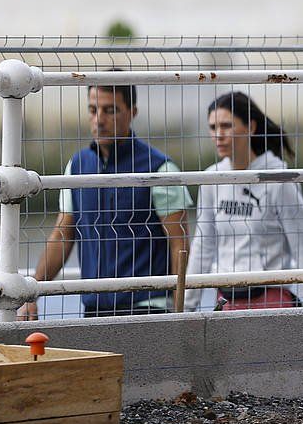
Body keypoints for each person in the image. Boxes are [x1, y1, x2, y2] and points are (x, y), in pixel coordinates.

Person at [18, 83, 192, 319]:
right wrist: (32, 293)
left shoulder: (160, 169)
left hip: (148, 307)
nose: (99, 120)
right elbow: (62, 235)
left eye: (110, 110)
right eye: (93, 110)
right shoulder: (77, 167)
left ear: (132, 112)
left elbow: (179, 244)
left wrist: (179, 315)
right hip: (94, 306)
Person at [183, 91, 303, 311]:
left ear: (251, 127)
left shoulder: (278, 179)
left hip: (270, 300)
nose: (219, 135)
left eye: (227, 126)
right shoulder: (211, 179)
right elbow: (203, 246)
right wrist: (187, 307)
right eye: (213, 127)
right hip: (226, 302)